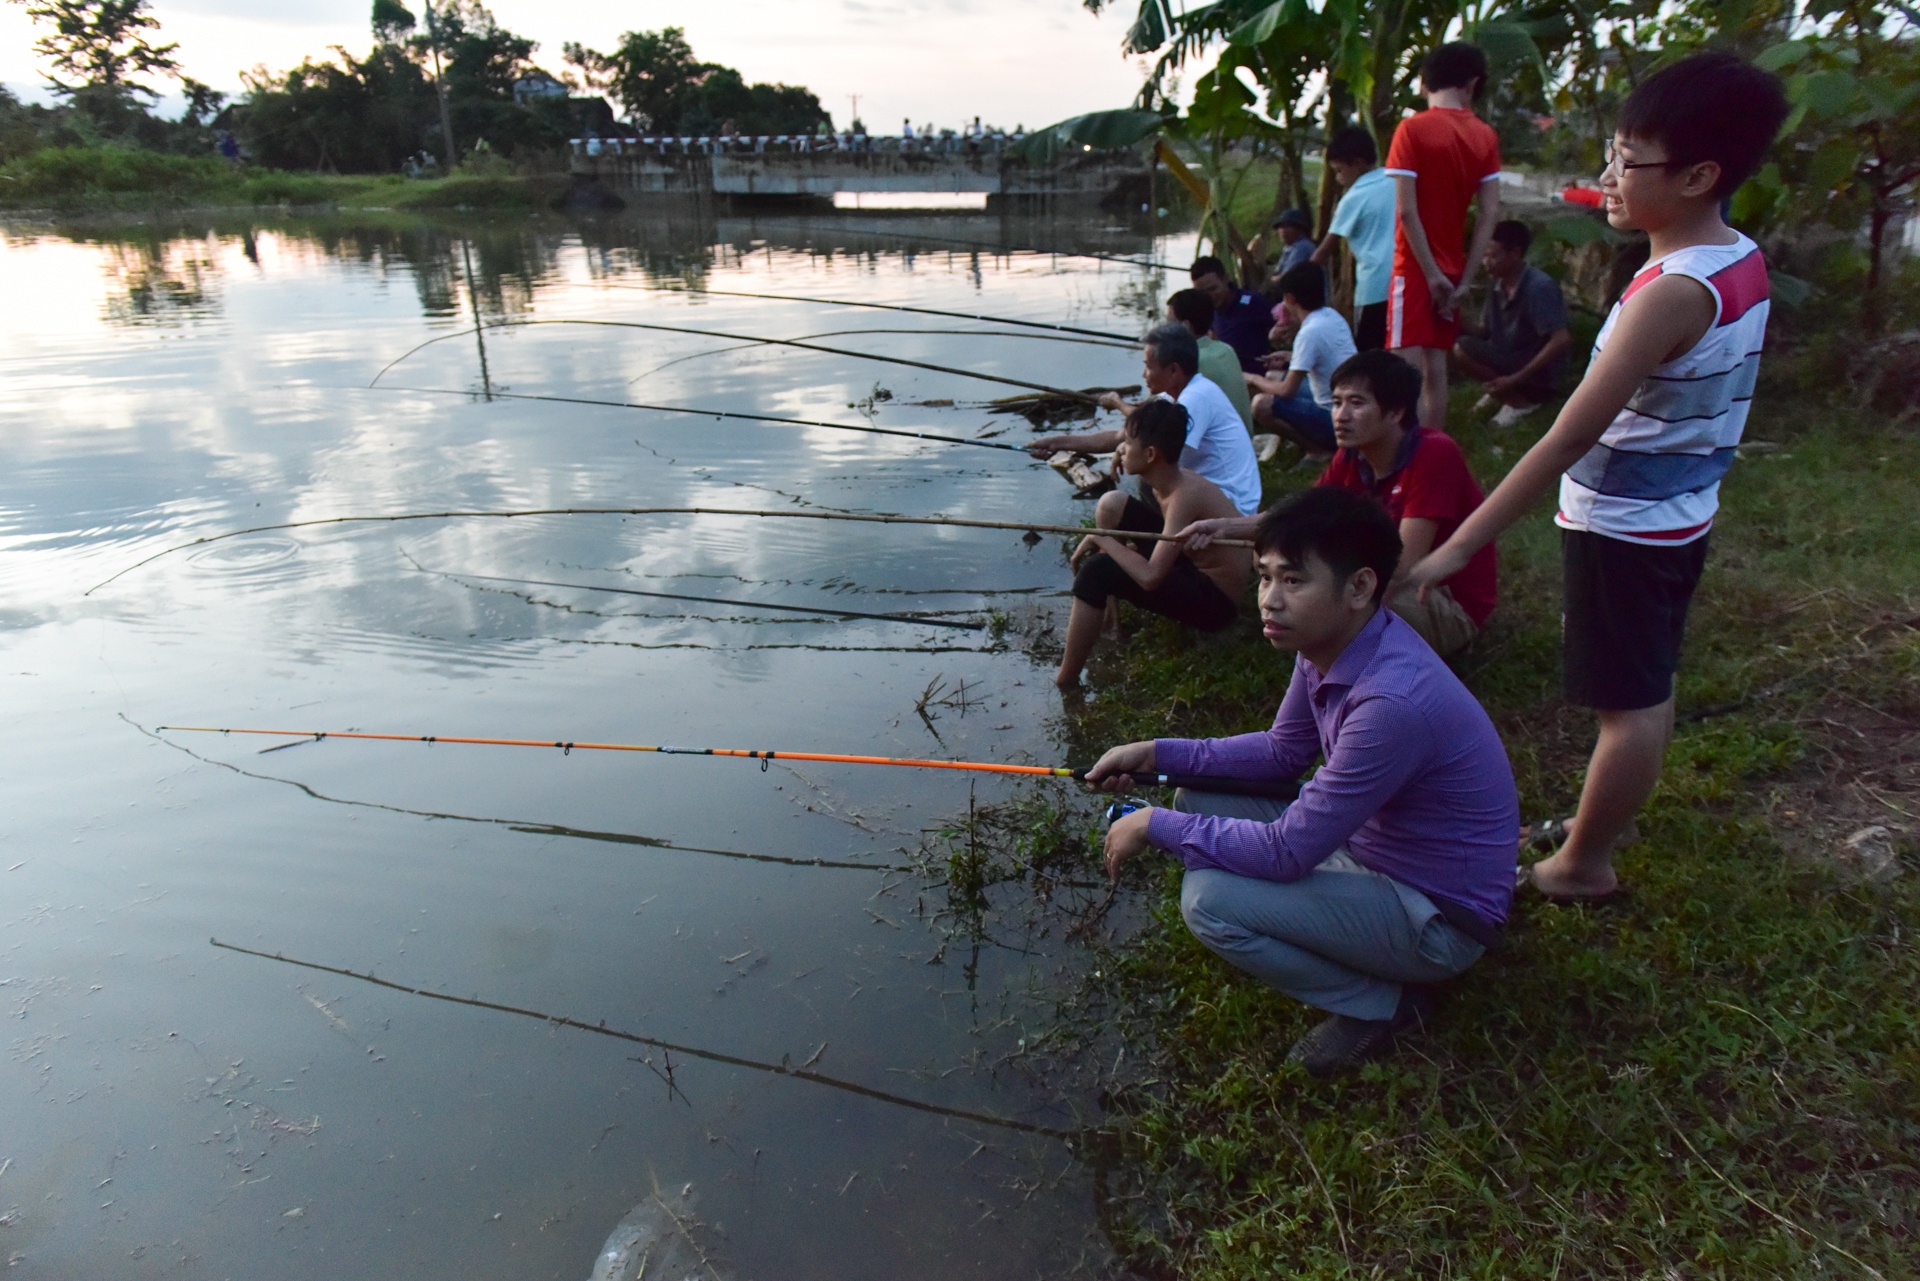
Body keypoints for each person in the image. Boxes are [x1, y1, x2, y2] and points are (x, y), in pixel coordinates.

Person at [1402, 52, 1790, 904]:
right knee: (1644, 683)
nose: (1607, 176)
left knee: (1632, 703)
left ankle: (1583, 863)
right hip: (1678, 510)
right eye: (1611, 153)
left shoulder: (1667, 295)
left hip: (1628, 525)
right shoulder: (1737, 257)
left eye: (1628, 160)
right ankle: (1594, 828)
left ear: (1699, 174)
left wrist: (1451, 550)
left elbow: (1563, 438)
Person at [1090, 487, 1518, 1077]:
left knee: (1211, 903)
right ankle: (1367, 967)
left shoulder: (1390, 703)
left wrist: (1152, 823)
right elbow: (1282, 750)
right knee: (1196, 794)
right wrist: (1156, 752)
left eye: (1293, 581)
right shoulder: (1330, 642)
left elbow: (1288, 851)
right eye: (1264, 577)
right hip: (1374, 848)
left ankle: (1385, 1006)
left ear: (1360, 587)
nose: (1269, 599)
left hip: (1438, 919)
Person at [1179, 351, 1497, 656]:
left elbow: (1403, 567)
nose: (1340, 416)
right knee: (1275, 548)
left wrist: (1320, 575)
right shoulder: (1353, 455)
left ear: (1396, 412)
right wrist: (1222, 527)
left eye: (1356, 403)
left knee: (1346, 590)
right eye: (1336, 402)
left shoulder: (1433, 454)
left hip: (1440, 599)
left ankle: (1338, 646)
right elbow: (1299, 514)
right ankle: (1320, 635)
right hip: (1384, 581)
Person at [1054, 400, 1254, 688]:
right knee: (1112, 503)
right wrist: (1118, 544)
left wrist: (1104, 539)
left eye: (1127, 443)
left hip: (1215, 602)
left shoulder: (1185, 495)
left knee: (1096, 571)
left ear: (1150, 454)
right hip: (1188, 564)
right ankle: (1109, 619)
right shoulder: (1158, 480)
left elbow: (1150, 577)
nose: (1120, 449)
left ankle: (1066, 680)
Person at [1384, 41, 1503, 430]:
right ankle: (1433, 447)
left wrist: (1430, 274)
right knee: (1437, 369)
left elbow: (1406, 211)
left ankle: (1404, 456)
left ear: (1424, 84)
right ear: (1472, 84)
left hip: (1415, 267)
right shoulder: (1485, 136)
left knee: (1403, 373)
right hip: (1454, 270)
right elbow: (1488, 215)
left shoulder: (1412, 129)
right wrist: (1463, 281)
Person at [1029, 323, 1262, 517]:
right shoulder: (1170, 396)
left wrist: (1124, 451)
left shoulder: (1196, 398)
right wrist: (1056, 442)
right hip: (1210, 493)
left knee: (1151, 470)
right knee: (1145, 466)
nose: (1143, 375)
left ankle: (1167, 548)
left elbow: (1159, 458)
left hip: (1233, 506)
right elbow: (1119, 436)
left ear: (1173, 370)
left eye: (1148, 367)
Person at [1454, 220, 1574, 427]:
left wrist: (1516, 378)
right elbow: (1483, 331)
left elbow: (1561, 340)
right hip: (1509, 356)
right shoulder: (1498, 283)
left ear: (1515, 253)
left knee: (1461, 349)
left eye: (1493, 256)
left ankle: (1519, 400)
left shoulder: (1538, 287)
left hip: (1537, 369)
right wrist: (1455, 316)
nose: (1486, 262)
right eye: (1484, 255)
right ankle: (1500, 390)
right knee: (1457, 344)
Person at [1248, 263, 1357, 456]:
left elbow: (1286, 391)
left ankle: (1317, 450)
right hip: (1344, 401)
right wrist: (1290, 358)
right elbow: (1326, 357)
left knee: (1260, 404)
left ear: (1290, 298)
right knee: (1273, 374)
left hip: (1333, 414)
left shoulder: (1309, 332)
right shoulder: (1331, 316)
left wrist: (1252, 378)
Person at [1312, 126, 1397, 352]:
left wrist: (1298, 277)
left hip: (1374, 286)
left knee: (1370, 353)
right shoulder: (1397, 181)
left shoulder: (1354, 198)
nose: (1338, 178)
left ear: (1357, 163)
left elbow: (1324, 251)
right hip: (1406, 280)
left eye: (1339, 170)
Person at [1166, 289, 1255, 431]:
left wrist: (1120, 404)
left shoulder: (1192, 363)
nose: (1165, 329)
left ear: (1186, 326)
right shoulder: (1226, 349)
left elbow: (1165, 416)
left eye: (1169, 323)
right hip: (1244, 440)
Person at [1189, 256, 1273, 373]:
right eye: (1202, 293)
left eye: (1213, 289)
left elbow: (1282, 329)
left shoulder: (1253, 303)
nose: (1209, 297)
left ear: (1226, 279)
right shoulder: (1205, 312)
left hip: (1257, 378)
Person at [1272, 209, 1317, 276]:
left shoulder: (1302, 247)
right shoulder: (1289, 247)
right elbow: (1277, 272)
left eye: (1287, 226)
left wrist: (1274, 279)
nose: (1283, 231)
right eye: (1281, 227)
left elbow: (1287, 277)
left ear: (1299, 229)